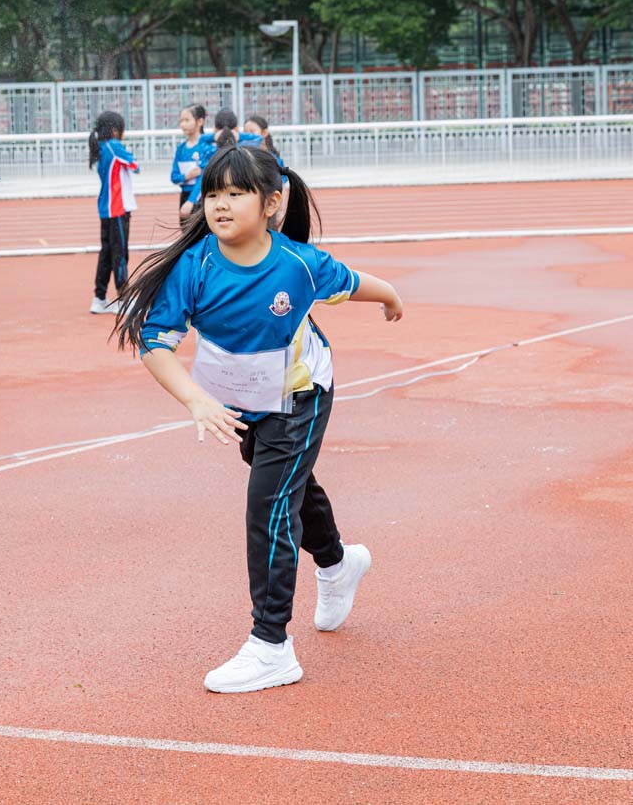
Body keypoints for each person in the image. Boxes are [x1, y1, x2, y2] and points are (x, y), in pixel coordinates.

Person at [116, 145, 403, 694]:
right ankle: (339, 564)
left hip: (300, 395)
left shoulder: (297, 264)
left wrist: (389, 295)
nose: (220, 204)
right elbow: (154, 340)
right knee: (290, 488)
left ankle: (271, 646)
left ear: (271, 203)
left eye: (235, 193)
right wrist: (195, 400)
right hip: (242, 404)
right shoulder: (195, 266)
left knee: (268, 508)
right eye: (212, 194)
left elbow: (351, 282)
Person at [89, 110, 139, 315]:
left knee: (107, 254)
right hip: (118, 208)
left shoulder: (100, 147)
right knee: (120, 254)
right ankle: (123, 298)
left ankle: (99, 298)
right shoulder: (114, 146)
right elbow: (135, 165)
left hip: (106, 208)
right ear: (116, 130)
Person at [178, 109, 258, 218]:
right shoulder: (244, 152)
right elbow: (259, 139)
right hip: (240, 201)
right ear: (236, 129)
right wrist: (238, 135)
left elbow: (201, 140)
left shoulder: (211, 153)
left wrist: (191, 200)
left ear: (215, 129)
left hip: (217, 202)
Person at [170, 105, 211, 210]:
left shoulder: (207, 148)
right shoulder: (181, 148)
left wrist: (191, 201)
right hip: (184, 196)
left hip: (201, 197)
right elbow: (174, 176)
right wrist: (187, 176)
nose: (183, 124)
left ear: (200, 122)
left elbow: (204, 178)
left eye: (187, 120)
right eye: (181, 121)